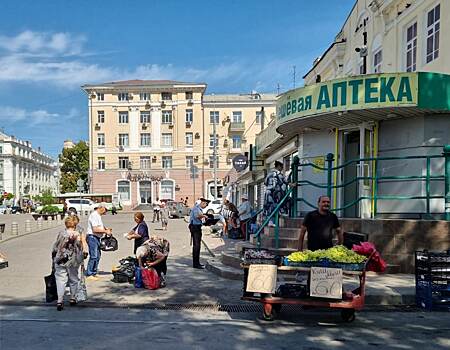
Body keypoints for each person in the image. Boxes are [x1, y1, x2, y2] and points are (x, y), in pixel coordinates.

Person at [52, 216, 85, 311]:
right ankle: (72, 298)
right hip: (73, 260)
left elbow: (55, 247)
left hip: (60, 259)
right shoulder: (77, 234)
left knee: (60, 280)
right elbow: (79, 247)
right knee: (73, 279)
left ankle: (60, 301)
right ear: (75, 224)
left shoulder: (61, 233)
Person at [85, 204, 112, 280]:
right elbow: (95, 229)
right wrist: (105, 231)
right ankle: (89, 273)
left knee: (98, 256)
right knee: (93, 256)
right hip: (92, 237)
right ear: (101, 208)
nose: (106, 212)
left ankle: (94, 272)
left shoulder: (98, 216)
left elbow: (100, 226)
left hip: (96, 237)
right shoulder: (94, 215)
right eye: (105, 210)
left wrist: (106, 229)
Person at [263, 160, 291, 226]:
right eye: (281, 167)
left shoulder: (269, 173)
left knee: (270, 207)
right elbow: (284, 182)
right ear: (278, 166)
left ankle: (270, 222)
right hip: (275, 193)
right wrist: (291, 184)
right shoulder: (278, 174)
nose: (282, 169)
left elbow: (265, 182)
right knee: (276, 206)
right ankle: (274, 221)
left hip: (268, 192)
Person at [188, 197, 209, 269]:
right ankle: (196, 264)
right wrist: (204, 216)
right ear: (203, 203)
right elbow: (197, 216)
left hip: (196, 227)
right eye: (206, 205)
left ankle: (197, 262)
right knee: (197, 246)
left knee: (197, 245)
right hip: (195, 227)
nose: (206, 206)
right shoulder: (197, 209)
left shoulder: (198, 208)